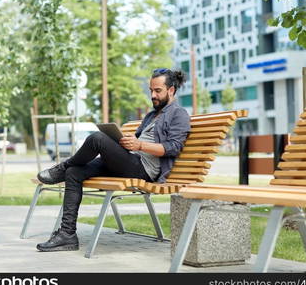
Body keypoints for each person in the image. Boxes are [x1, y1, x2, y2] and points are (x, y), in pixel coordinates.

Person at [36, 68, 191, 252]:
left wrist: (139, 145)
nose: (153, 95)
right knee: (74, 173)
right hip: (130, 160)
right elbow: (138, 142)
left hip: (143, 169)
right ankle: (67, 235)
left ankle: (60, 168)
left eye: (158, 91)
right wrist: (126, 141)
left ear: (171, 90)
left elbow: (174, 147)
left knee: (97, 138)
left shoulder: (178, 114)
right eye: (151, 90)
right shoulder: (151, 115)